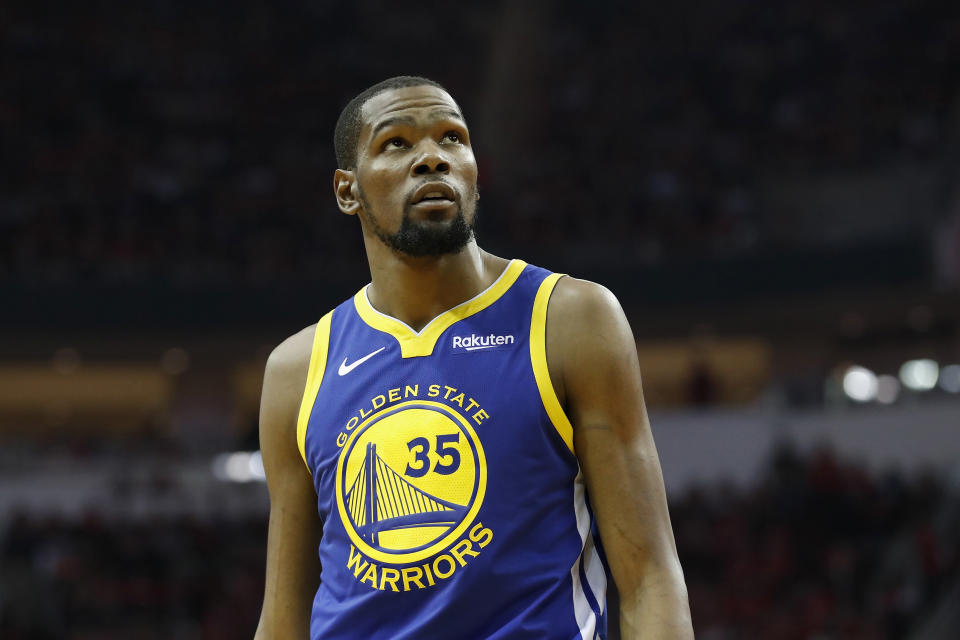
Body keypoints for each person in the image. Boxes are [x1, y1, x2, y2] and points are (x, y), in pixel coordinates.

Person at [254, 76, 693, 640]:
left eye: (452, 139)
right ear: (347, 191)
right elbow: (283, 616)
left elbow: (650, 576)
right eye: (397, 144)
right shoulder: (297, 369)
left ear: (475, 172)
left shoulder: (570, 319)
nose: (431, 158)